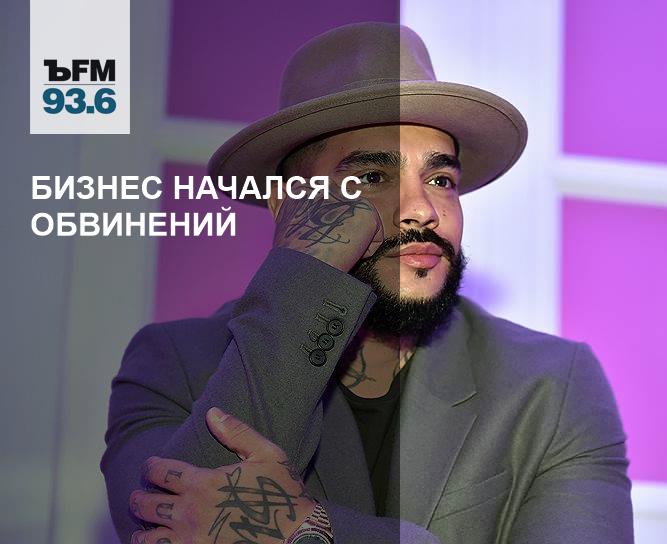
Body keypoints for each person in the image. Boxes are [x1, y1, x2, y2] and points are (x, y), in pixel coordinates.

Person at [101, 22, 632, 544]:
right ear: (288, 205)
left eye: (440, 179)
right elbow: (177, 529)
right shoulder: (174, 363)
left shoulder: (550, 384)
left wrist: (313, 532)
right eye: (373, 177)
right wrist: (302, 279)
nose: (422, 209)